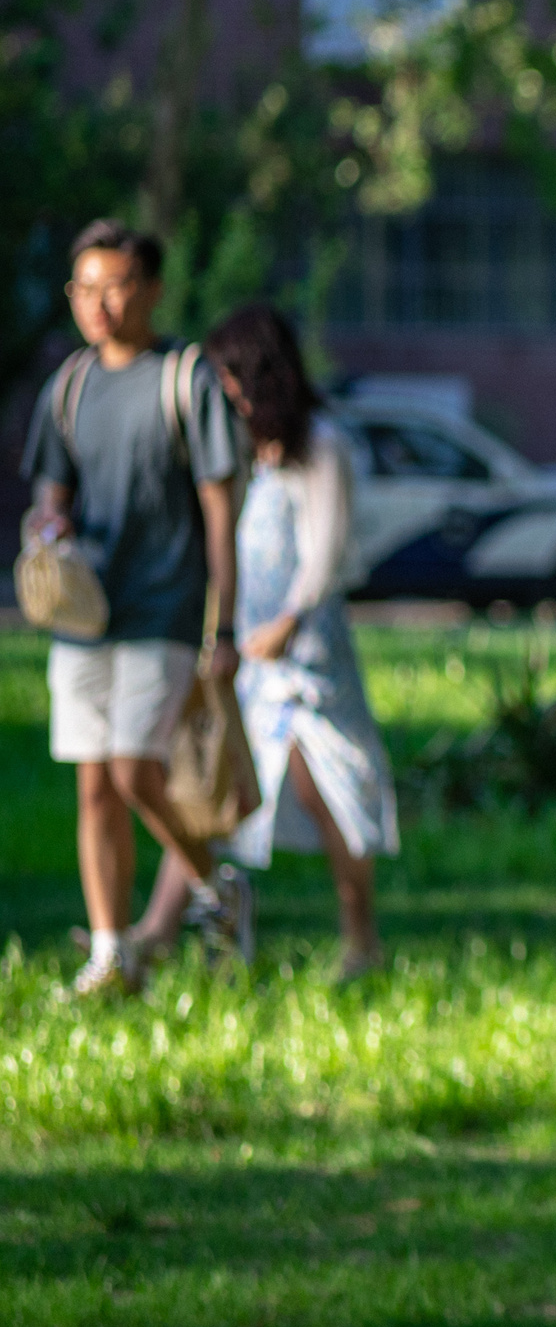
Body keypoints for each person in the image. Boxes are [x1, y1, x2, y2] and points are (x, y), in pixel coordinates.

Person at [21, 219, 252, 997]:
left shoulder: (186, 378)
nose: (100, 304)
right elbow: (51, 493)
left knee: (134, 771)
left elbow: (222, 511)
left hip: (167, 607)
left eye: (116, 286)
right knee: (94, 783)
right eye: (85, 289)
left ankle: (214, 886)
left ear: (151, 288)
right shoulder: (71, 385)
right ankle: (113, 950)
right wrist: (47, 527)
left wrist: (226, 622)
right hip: (87, 615)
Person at [201, 304, 399, 983]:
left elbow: (326, 552)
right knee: (223, 795)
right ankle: (207, 936)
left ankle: (361, 939)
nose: (226, 390)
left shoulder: (323, 447)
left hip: (308, 661)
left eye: (233, 373)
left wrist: (287, 621)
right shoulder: (253, 456)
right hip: (255, 661)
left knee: (328, 791)